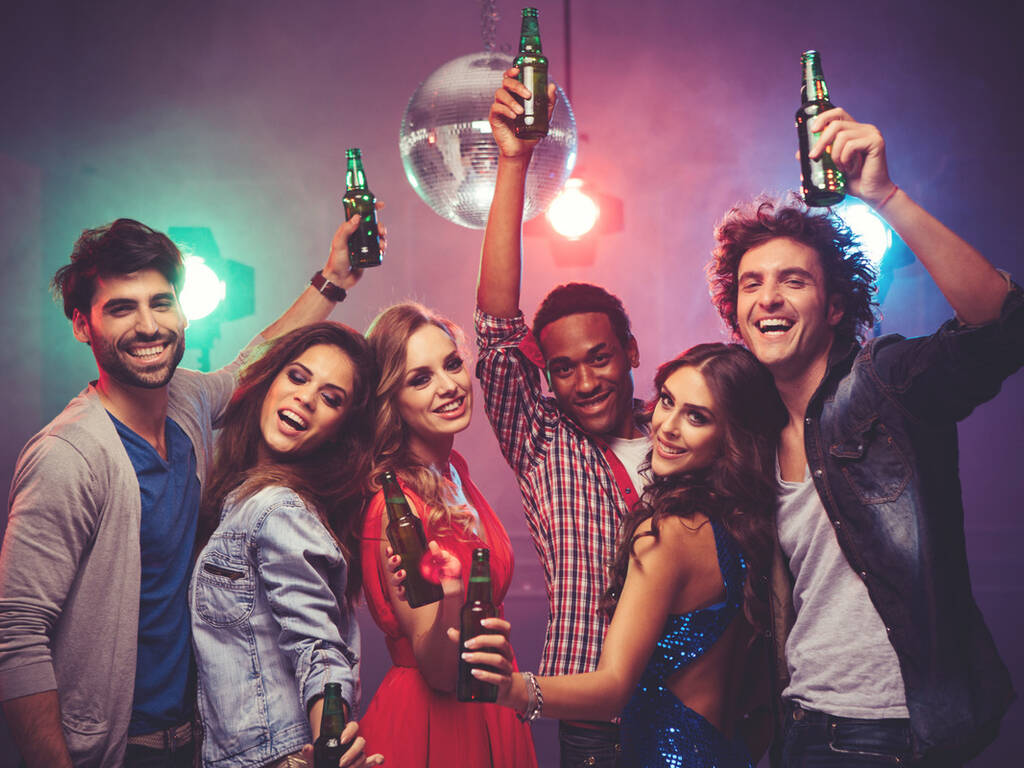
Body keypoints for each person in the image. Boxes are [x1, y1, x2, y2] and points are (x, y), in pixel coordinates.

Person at [0, 212, 381, 767]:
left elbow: (260, 362)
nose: (149, 326)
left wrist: (333, 280)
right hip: (116, 750)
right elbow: (16, 630)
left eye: (160, 302)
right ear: (83, 325)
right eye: (120, 308)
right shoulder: (68, 455)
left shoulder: (188, 404)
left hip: (200, 740)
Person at [706, 108, 1023, 765]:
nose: (767, 297)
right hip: (797, 725)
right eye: (751, 284)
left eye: (793, 280)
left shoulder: (884, 384)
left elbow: (1003, 327)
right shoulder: (746, 433)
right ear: (734, 315)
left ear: (836, 306)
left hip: (891, 734)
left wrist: (885, 196)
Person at [457, 343, 784, 767]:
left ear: (732, 436)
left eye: (697, 416)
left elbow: (614, 686)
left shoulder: (668, 533)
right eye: (666, 400)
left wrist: (515, 689)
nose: (666, 426)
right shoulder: (745, 528)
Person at [476, 67, 646, 766]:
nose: (584, 381)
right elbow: (494, 328)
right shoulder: (544, 440)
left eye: (600, 358)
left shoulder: (688, 429)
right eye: (563, 368)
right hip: (588, 709)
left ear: (630, 349)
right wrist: (515, 162)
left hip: (697, 698)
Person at [190, 322, 382, 768]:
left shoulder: (278, 510)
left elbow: (318, 646)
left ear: (339, 429)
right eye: (298, 376)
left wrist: (331, 745)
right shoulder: (232, 497)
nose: (307, 398)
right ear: (269, 382)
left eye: (331, 398)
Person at [356, 302, 537, 768]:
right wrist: (453, 594)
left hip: (491, 704)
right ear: (390, 400)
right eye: (420, 379)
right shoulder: (396, 508)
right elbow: (438, 672)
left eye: (452, 364)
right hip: (435, 727)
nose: (449, 386)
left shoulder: (453, 472)